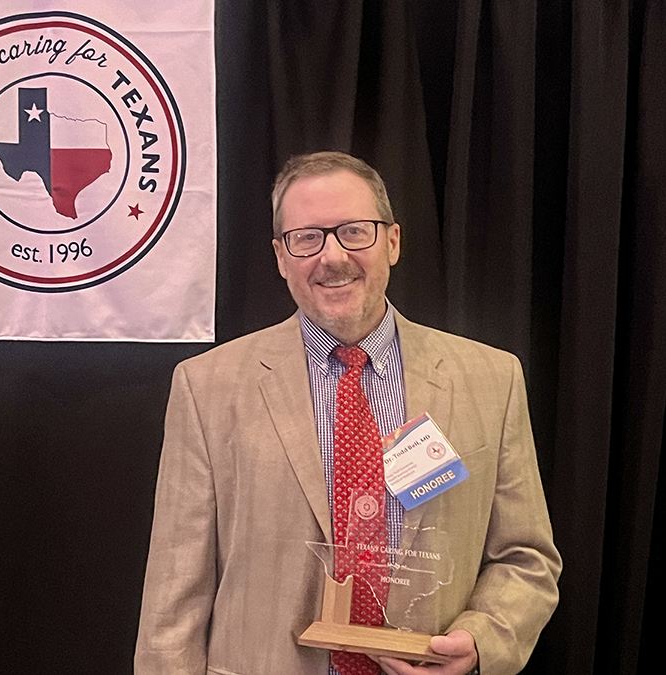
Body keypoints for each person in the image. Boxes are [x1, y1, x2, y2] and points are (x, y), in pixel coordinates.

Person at [135, 152, 561, 675]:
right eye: (307, 238)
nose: (332, 257)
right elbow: (173, 598)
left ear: (393, 242)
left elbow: (526, 558)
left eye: (355, 231)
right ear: (280, 256)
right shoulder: (207, 387)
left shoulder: (491, 380)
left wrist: (481, 640)